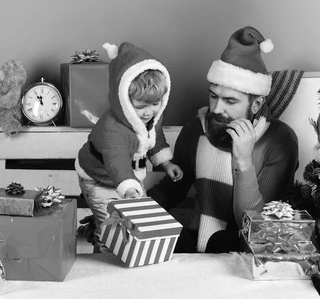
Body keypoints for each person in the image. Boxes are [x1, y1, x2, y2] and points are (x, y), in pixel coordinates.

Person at [147, 26, 299, 253]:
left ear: (256, 104)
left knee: (226, 241)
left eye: (230, 101)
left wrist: (244, 162)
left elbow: (256, 227)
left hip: (246, 254)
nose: (217, 109)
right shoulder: (195, 130)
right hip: (198, 244)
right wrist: (123, 216)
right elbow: (171, 191)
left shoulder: (279, 140)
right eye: (213, 96)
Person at [75, 42, 183, 247]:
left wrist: (166, 163)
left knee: (134, 222)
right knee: (111, 227)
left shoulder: (150, 116)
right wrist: (129, 190)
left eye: (156, 103)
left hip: (131, 177)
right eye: (141, 106)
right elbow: (117, 162)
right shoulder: (112, 130)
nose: (149, 112)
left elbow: (155, 138)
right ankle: (103, 250)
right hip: (98, 178)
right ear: (122, 99)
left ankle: (94, 229)